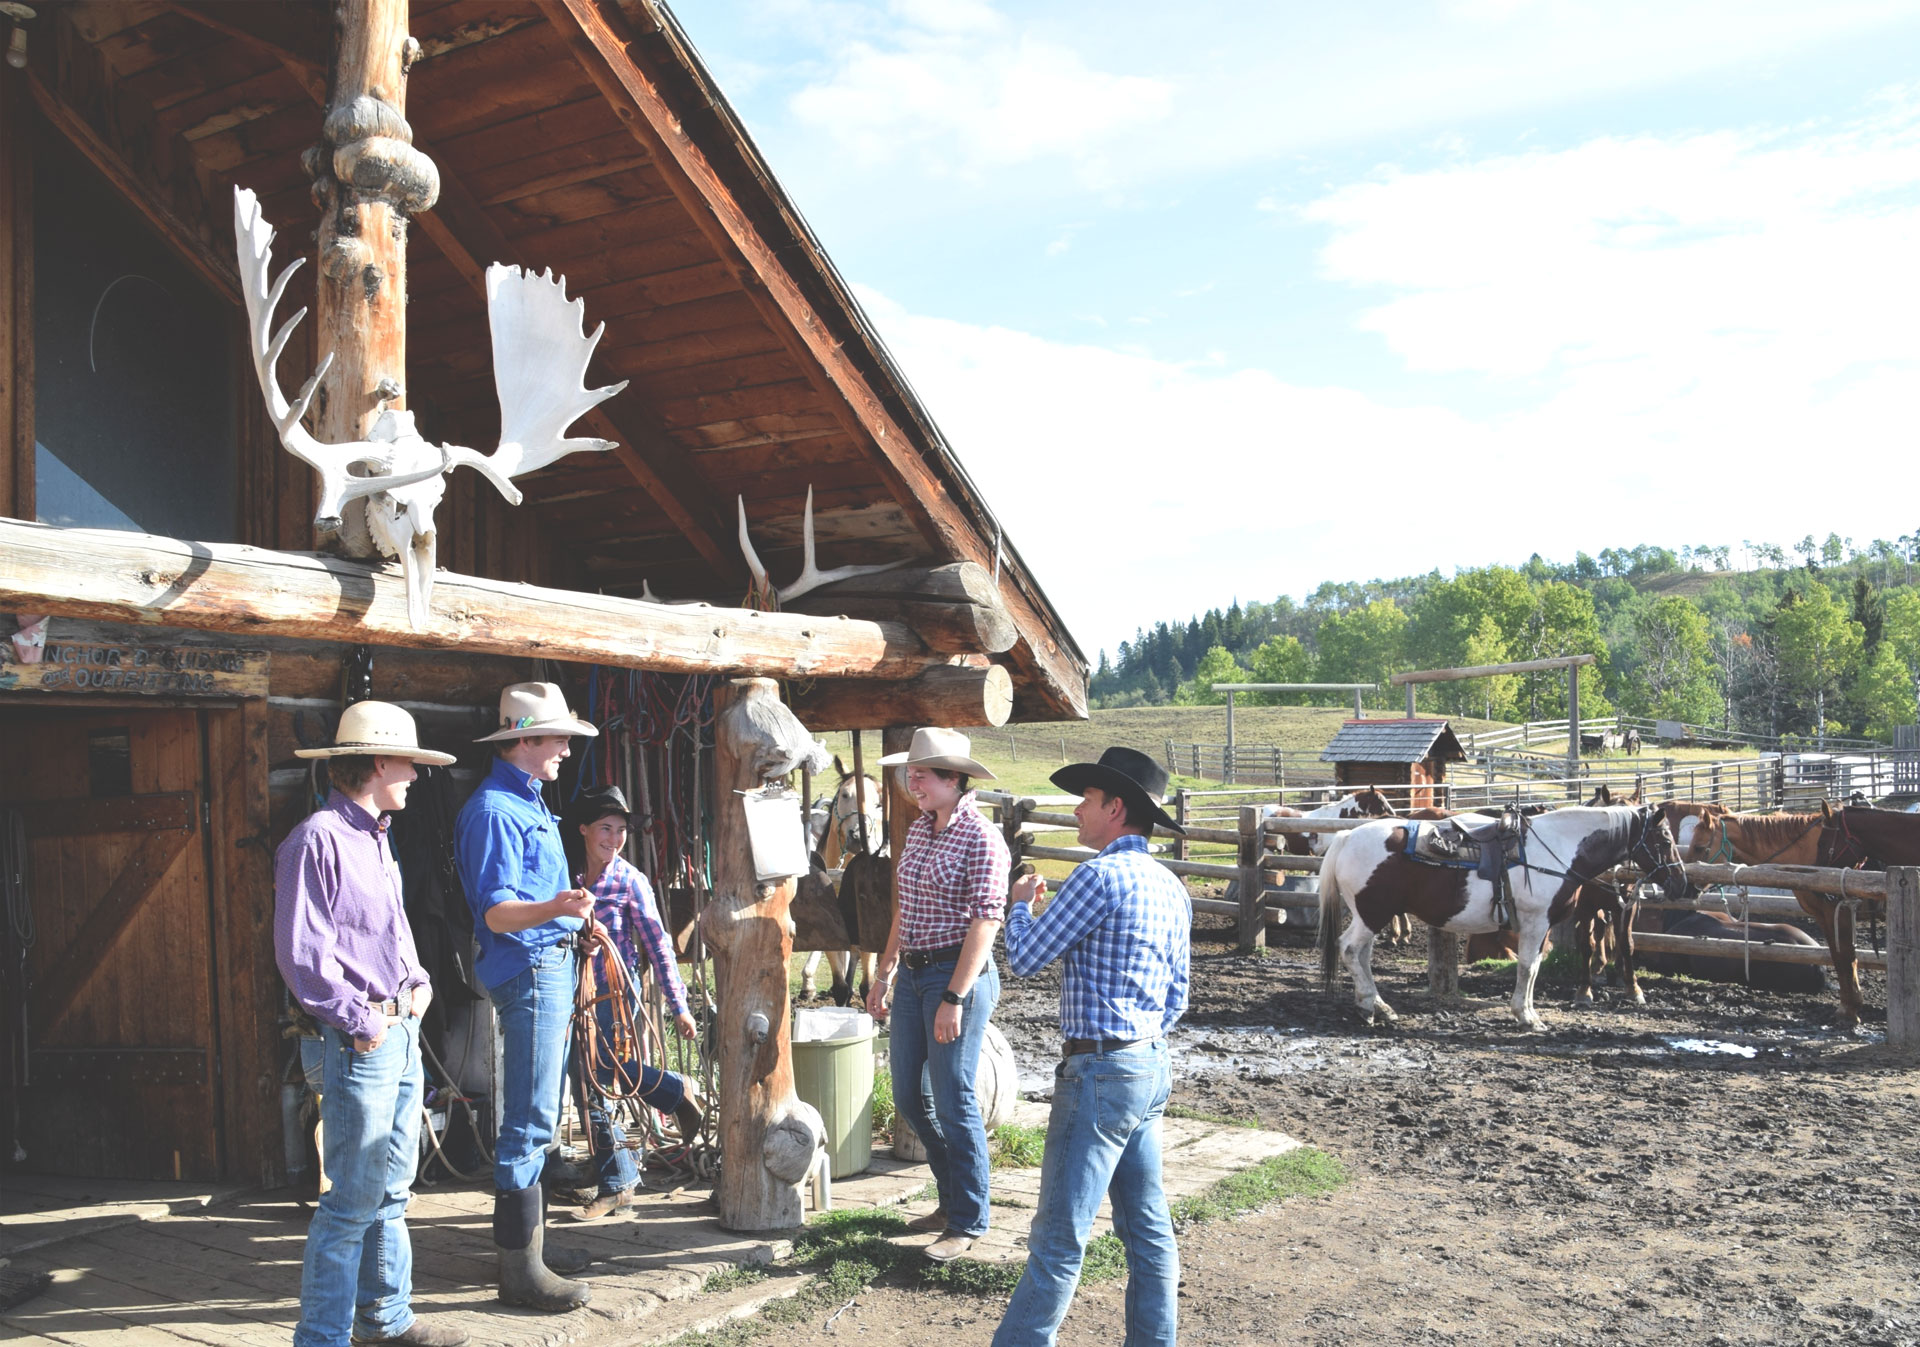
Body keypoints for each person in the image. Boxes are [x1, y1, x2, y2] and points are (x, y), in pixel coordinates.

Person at [274, 702, 466, 1347]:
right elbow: (303, 953)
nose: (416, 774)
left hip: (394, 1033)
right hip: (364, 1040)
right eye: (409, 763)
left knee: (391, 1189)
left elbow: (385, 932)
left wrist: (417, 980)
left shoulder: (373, 835)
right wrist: (361, 1021)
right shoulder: (317, 839)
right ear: (380, 761)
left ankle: (386, 1319)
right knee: (351, 1200)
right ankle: (323, 1339)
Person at [991, 747, 1191, 1347]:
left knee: (1058, 1236)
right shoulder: (1169, 886)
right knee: (1148, 1229)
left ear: (1116, 808)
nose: (1078, 809)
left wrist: (1019, 909)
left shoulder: (1098, 876)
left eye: (1088, 799)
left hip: (1099, 1068)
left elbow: (1025, 959)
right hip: (1149, 1062)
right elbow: (1177, 996)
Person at [454, 682, 599, 1312]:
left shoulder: (527, 803)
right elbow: (496, 914)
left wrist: (567, 919)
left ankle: (530, 1251)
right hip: (533, 967)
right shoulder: (494, 812)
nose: (567, 748)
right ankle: (519, 1272)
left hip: (550, 962)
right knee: (531, 1119)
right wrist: (557, 909)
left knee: (541, 1113)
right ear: (523, 741)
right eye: (558, 737)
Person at [866, 727, 1009, 1263]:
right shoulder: (922, 830)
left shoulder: (982, 838)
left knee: (953, 1096)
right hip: (915, 975)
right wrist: (884, 973)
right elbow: (906, 907)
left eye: (921, 773)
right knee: (908, 1095)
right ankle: (952, 1200)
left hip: (956, 976)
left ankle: (969, 1217)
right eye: (910, 772)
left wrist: (954, 995)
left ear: (953, 778)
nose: (911, 781)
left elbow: (985, 922)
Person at [564, 784, 705, 1221]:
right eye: (605, 828)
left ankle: (619, 1179)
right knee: (586, 1081)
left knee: (598, 1076)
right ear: (584, 830)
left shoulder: (628, 879)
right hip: (570, 990)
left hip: (610, 992)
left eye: (621, 830)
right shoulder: (566, 875)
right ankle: (619, 1171)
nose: (614, 838)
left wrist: (679, 1004)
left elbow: (659, 945)